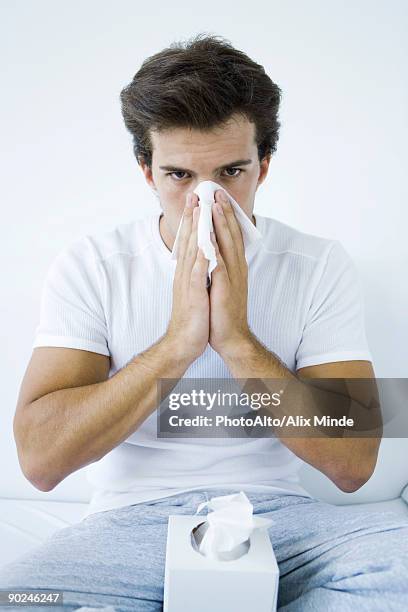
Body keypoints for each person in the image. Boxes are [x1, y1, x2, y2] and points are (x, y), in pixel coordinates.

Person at [1, 34, 407, 612]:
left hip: (281, 522)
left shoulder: (315, 265)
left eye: (231, 170)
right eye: (179, 176)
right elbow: (40, 462)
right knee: (22, 599)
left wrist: (236, 339)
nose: (206, 198)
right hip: (127, 524)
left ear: (264, 166)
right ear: (147, 171)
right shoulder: (93, 265)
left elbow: (353, 464)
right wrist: (177, 344)